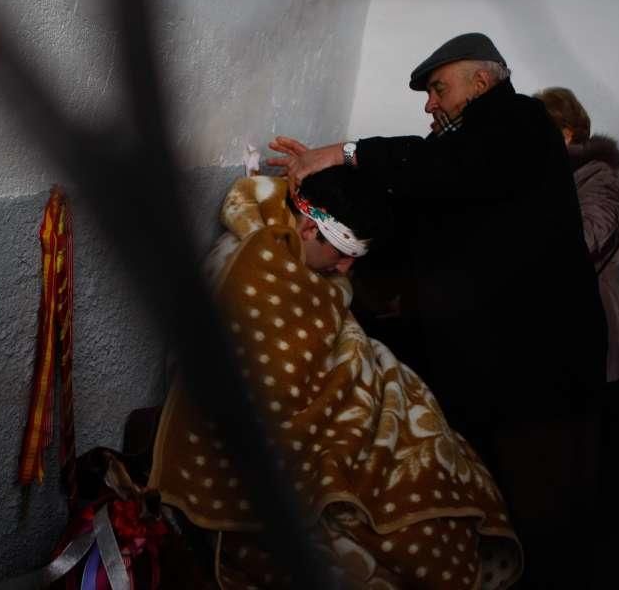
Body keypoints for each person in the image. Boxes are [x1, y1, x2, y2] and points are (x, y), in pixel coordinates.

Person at [267, 33, 607, 587]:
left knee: (542, 519)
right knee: (495, 509)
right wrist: (330, 194)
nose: (430, 103)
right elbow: (416, 215)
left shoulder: (520, 123)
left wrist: (343, 152)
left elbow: (441, 168)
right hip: (494, 375)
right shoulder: (468, 157)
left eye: (437, 88)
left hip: (542, 379)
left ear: (482, 81)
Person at [149, 168, 522, 589]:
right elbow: (271, 399)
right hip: (313, 422)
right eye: (344, 252)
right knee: (403, 517)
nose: (346, 268)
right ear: (309, 227)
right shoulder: (253, 271)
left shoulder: (298, 253)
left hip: (355, 373)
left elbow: (329, 327)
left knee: (434, 443)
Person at [535, 87, 619, 386]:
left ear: (567, 133)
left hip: (589, 326)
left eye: (539, 131)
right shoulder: (546, 178)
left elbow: (587, 243)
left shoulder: (596, 175)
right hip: (558, 326)